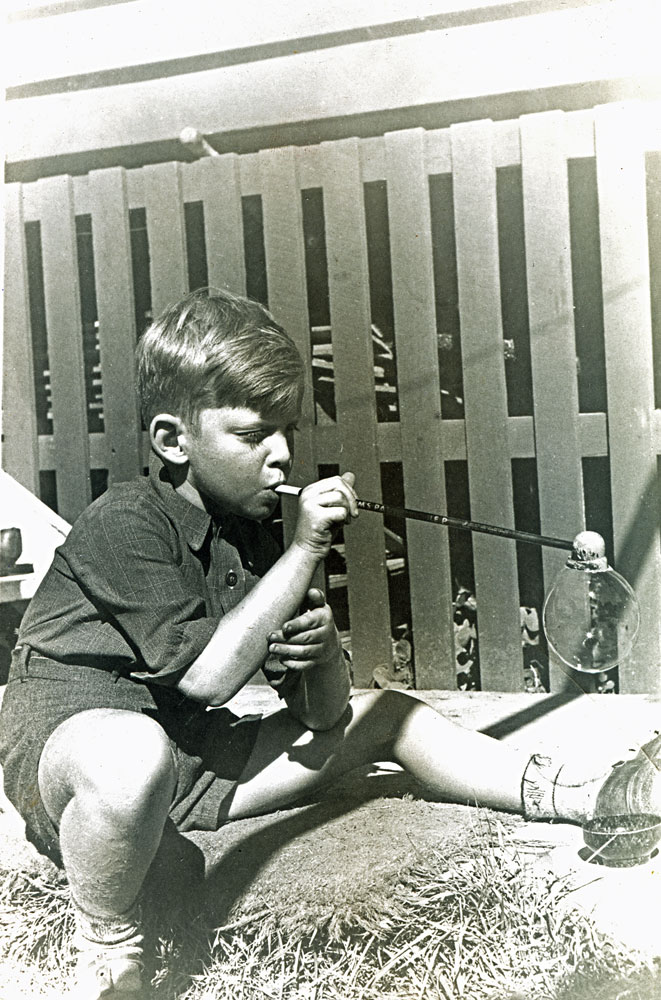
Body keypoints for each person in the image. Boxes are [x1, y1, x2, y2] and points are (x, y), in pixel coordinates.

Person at [0, 289, 658, 1000]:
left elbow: (323, 717)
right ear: (172, 441)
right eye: (254, 436)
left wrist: (318, 655)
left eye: (287, 432)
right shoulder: (125, 520)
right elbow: (205, 678)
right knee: (132, 754)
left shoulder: (252, 539)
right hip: (75, 754)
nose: (282, 456)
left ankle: (589, 793)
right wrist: (307, 547)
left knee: (390, 716)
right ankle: (109, 950)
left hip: (190, 757)